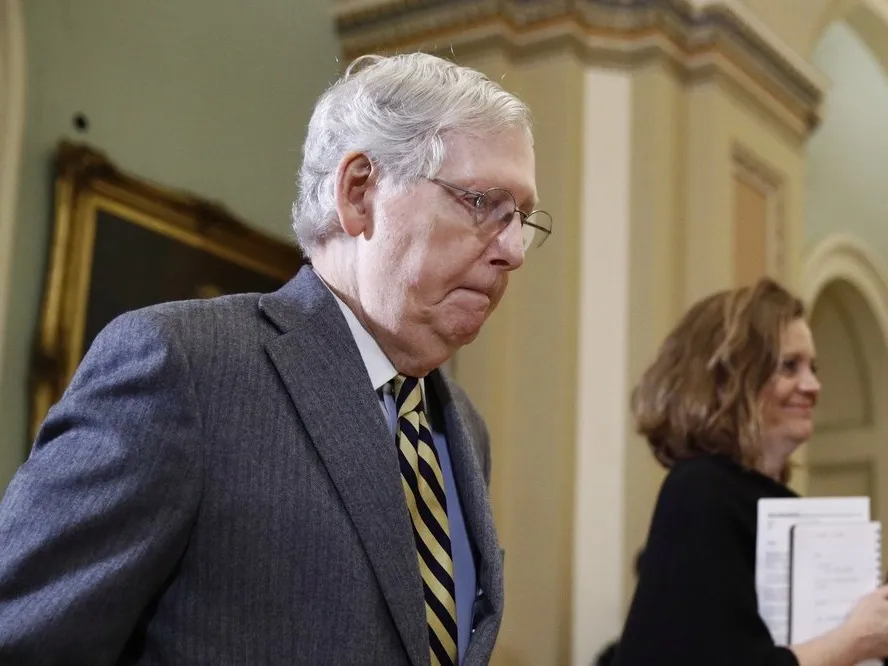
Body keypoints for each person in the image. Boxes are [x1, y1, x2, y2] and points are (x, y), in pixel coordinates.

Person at [0, 52, 552, 665]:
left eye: (521, 218)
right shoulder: (185, 367)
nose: (513, 250)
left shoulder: (463, 428)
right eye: (481, 203)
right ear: (359, 192)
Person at [613, 277, 888, 666]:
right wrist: (855, 639)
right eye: (789, 366)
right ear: (728, 380)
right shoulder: (700, 492)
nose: (813, 385)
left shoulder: (772, 501)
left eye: (813, 367)